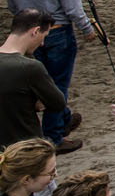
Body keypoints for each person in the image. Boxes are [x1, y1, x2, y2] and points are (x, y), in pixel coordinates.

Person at [6, 0, 96, 147]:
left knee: (41, 81)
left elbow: (13, 5)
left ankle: (62, 121)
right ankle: (54, 137)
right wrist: (87, 27)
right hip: (57, 31)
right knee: (57, 85)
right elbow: (71, 5)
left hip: (28, 34)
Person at [0, 10, 68, 152]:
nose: (42, 43)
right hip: (25, 147)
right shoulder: (30, 67)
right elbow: (58, 103)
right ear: (35, 31)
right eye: (43, 37)